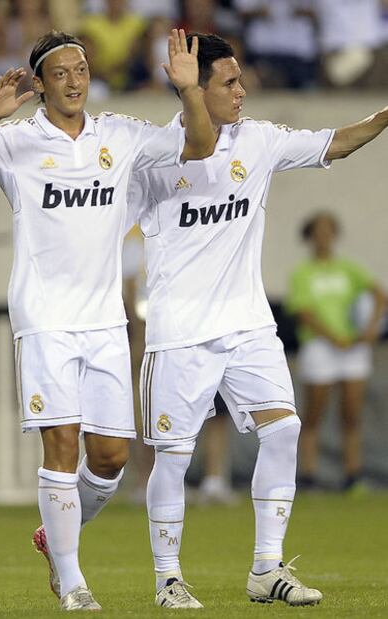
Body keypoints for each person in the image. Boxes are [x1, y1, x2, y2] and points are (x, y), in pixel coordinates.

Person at [127, 32, 388, 608]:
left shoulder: (261, 141)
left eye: (242, 79)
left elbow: (338, 143)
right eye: (230, 82)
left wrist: (386, 114)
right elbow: (178, 158)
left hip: (247, 325)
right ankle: (168, 577)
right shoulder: (153, 154)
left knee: (285, 428)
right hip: (180, 333)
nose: (243, 92)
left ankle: (266, 569)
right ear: (195, 85)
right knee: (173, 455)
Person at [0, 28, 215, 611]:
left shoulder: (121, 136)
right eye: (60, 73)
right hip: (45, 319)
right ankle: (72, 581)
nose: (74, 81)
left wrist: (189, 92)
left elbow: (202, 146)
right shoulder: (14, 143)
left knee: (110, 458)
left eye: (80, 70)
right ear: (40, 83)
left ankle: (57, 540)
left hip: (105, 321)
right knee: (61, 443)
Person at [286, 212, 386, 491]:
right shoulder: (303, 273)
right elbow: (304, 312)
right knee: (314, 412)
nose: (323, 236)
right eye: (318, 231)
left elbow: (379, 295)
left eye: (328, 230)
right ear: (309, 237)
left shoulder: (349, 268)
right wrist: (333, 338)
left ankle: (353, 474)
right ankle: (309, 474)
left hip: (352, 348)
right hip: (320, 347)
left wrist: (371, 328)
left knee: (352, 413)